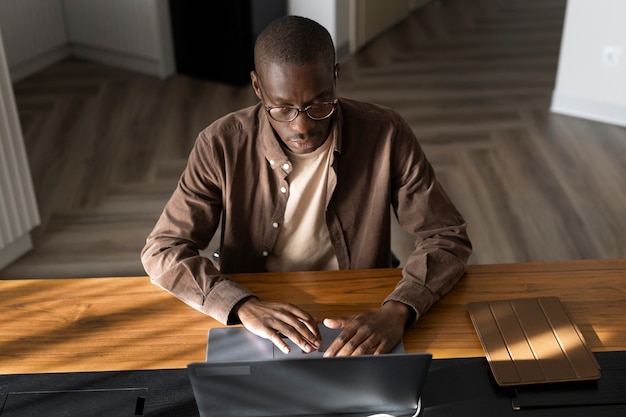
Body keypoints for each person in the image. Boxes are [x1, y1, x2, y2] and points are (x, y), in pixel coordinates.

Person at [141, 15, 471, 357]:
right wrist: (241, 305)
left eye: (319, 105)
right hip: (258, 311)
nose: (301, 126)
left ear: (336, 77)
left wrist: (398, 310)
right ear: (257, 87)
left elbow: (446, 236)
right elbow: (163, 249)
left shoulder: (386, 133)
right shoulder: (220, 144)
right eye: (282, 108)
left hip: (361, 308)